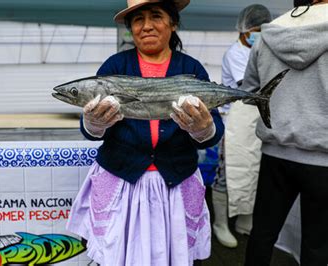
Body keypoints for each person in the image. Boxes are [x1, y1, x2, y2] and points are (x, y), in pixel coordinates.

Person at [65, 0, 224, 265]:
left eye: (156, 16)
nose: (147, 26)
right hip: (122, 181)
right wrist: (93, 123)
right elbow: (93, 133)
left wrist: (204, 129)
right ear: (131, 28)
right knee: (121, 255)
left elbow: (214, 132)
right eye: (138, 20)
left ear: (173, 24)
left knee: (170, 256)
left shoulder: (192, 69)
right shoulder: (114, 67)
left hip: (175, 182)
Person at [241, 0, 328, 265]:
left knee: (262, 235)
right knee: (316, 245)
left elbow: (250, 91)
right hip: (323, 159)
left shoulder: (269, 33)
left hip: (274, 155)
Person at [211, 4, 272, 248]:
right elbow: (248, 90)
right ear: (244, 30)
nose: (259, 34)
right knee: (228, 172)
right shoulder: (235, 53)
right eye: (255, 30)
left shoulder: (263, 49)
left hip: (256, 121)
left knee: (253, 170)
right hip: (235, 122)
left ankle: (244, 221)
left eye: (263, 29)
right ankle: (220, 224)